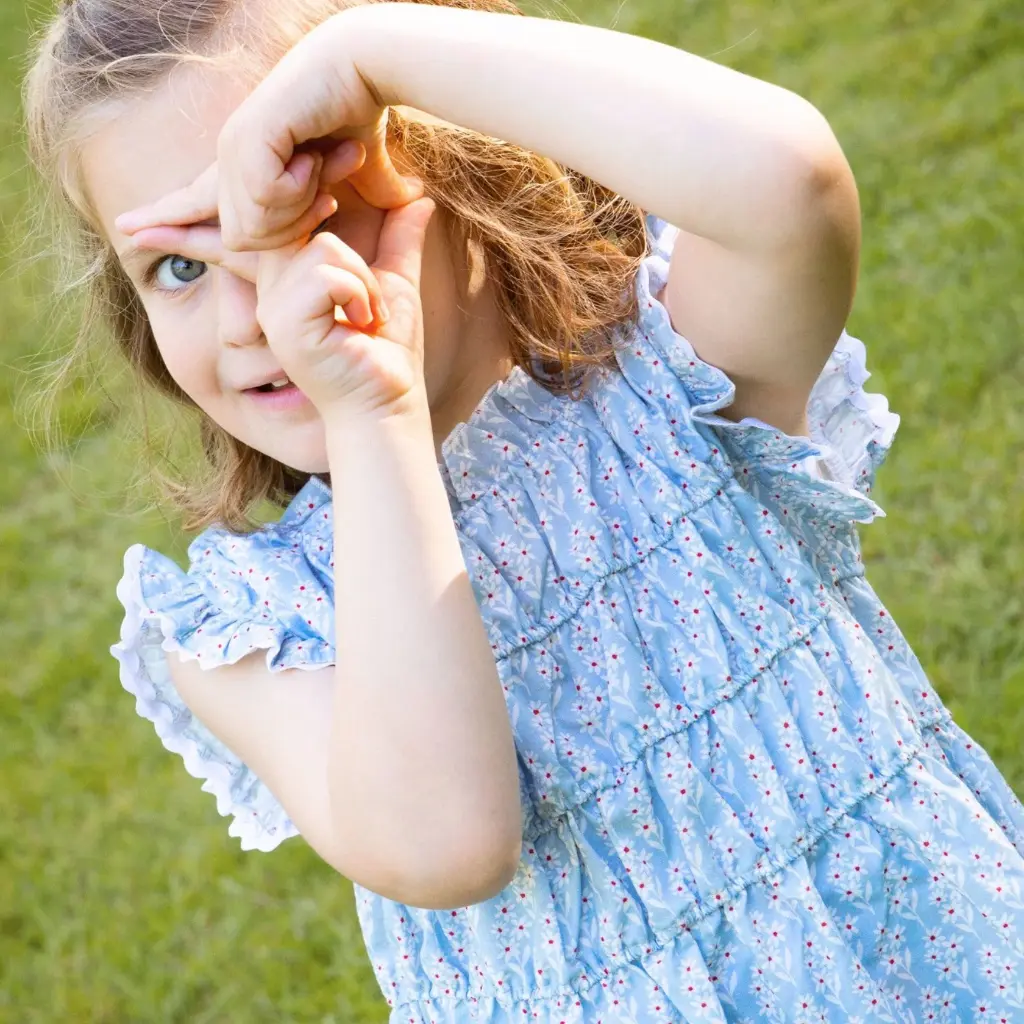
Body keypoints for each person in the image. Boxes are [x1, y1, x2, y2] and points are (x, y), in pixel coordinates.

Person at [24, 0, 1024, 1019]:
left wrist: (371, 55)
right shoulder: (253, 627)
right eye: (181, 265)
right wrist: (375, 412)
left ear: (453, 162)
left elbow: (793, 186)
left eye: (304, 204)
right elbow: (447, 840)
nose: (250, 313)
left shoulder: (673, 389)